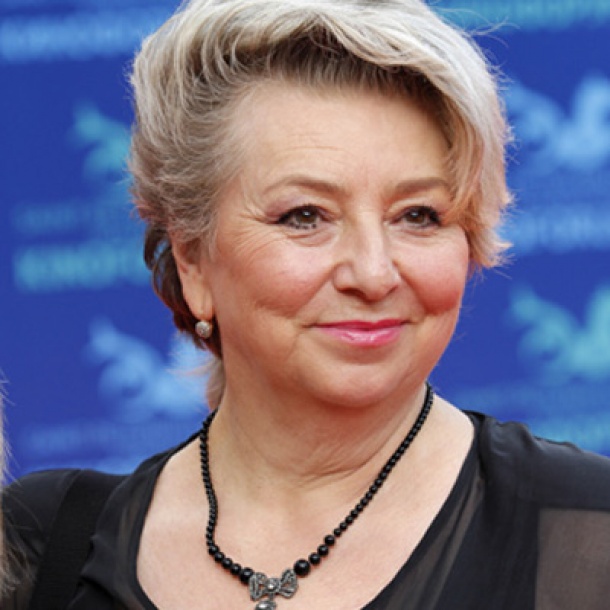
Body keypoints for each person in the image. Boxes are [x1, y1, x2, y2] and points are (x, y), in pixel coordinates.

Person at [3, 0, 610, 608]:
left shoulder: (587, 532)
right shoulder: (41, 548)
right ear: (192, 260)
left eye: (418, 215)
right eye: (305, 216)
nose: (373, 273)